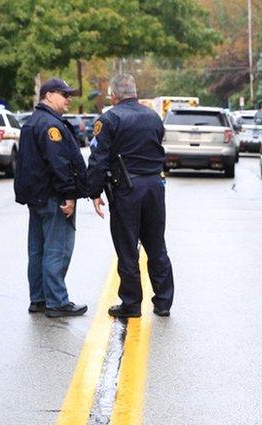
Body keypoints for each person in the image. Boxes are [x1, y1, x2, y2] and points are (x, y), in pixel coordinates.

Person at [87, 74, 174, 318]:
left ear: (114, 95)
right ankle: (164, 302)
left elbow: (98, 158)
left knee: (127, 248)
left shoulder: (110, 118)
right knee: (156, 244)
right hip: (155, 186)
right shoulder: (153, 117)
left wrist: (93, 190)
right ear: (134, 92)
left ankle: (131, 304)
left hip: (127, 189)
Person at [14, 78, 88, 318]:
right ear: (48, 96)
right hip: (53, 196)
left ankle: (39, 298)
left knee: (37, 251)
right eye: (64, 94)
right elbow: (59, 163)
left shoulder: (32, 122)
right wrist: (69, 194)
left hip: (36, 197)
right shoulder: (51, 126)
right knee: (58, 249)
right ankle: (57, 301)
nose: (69, 99)